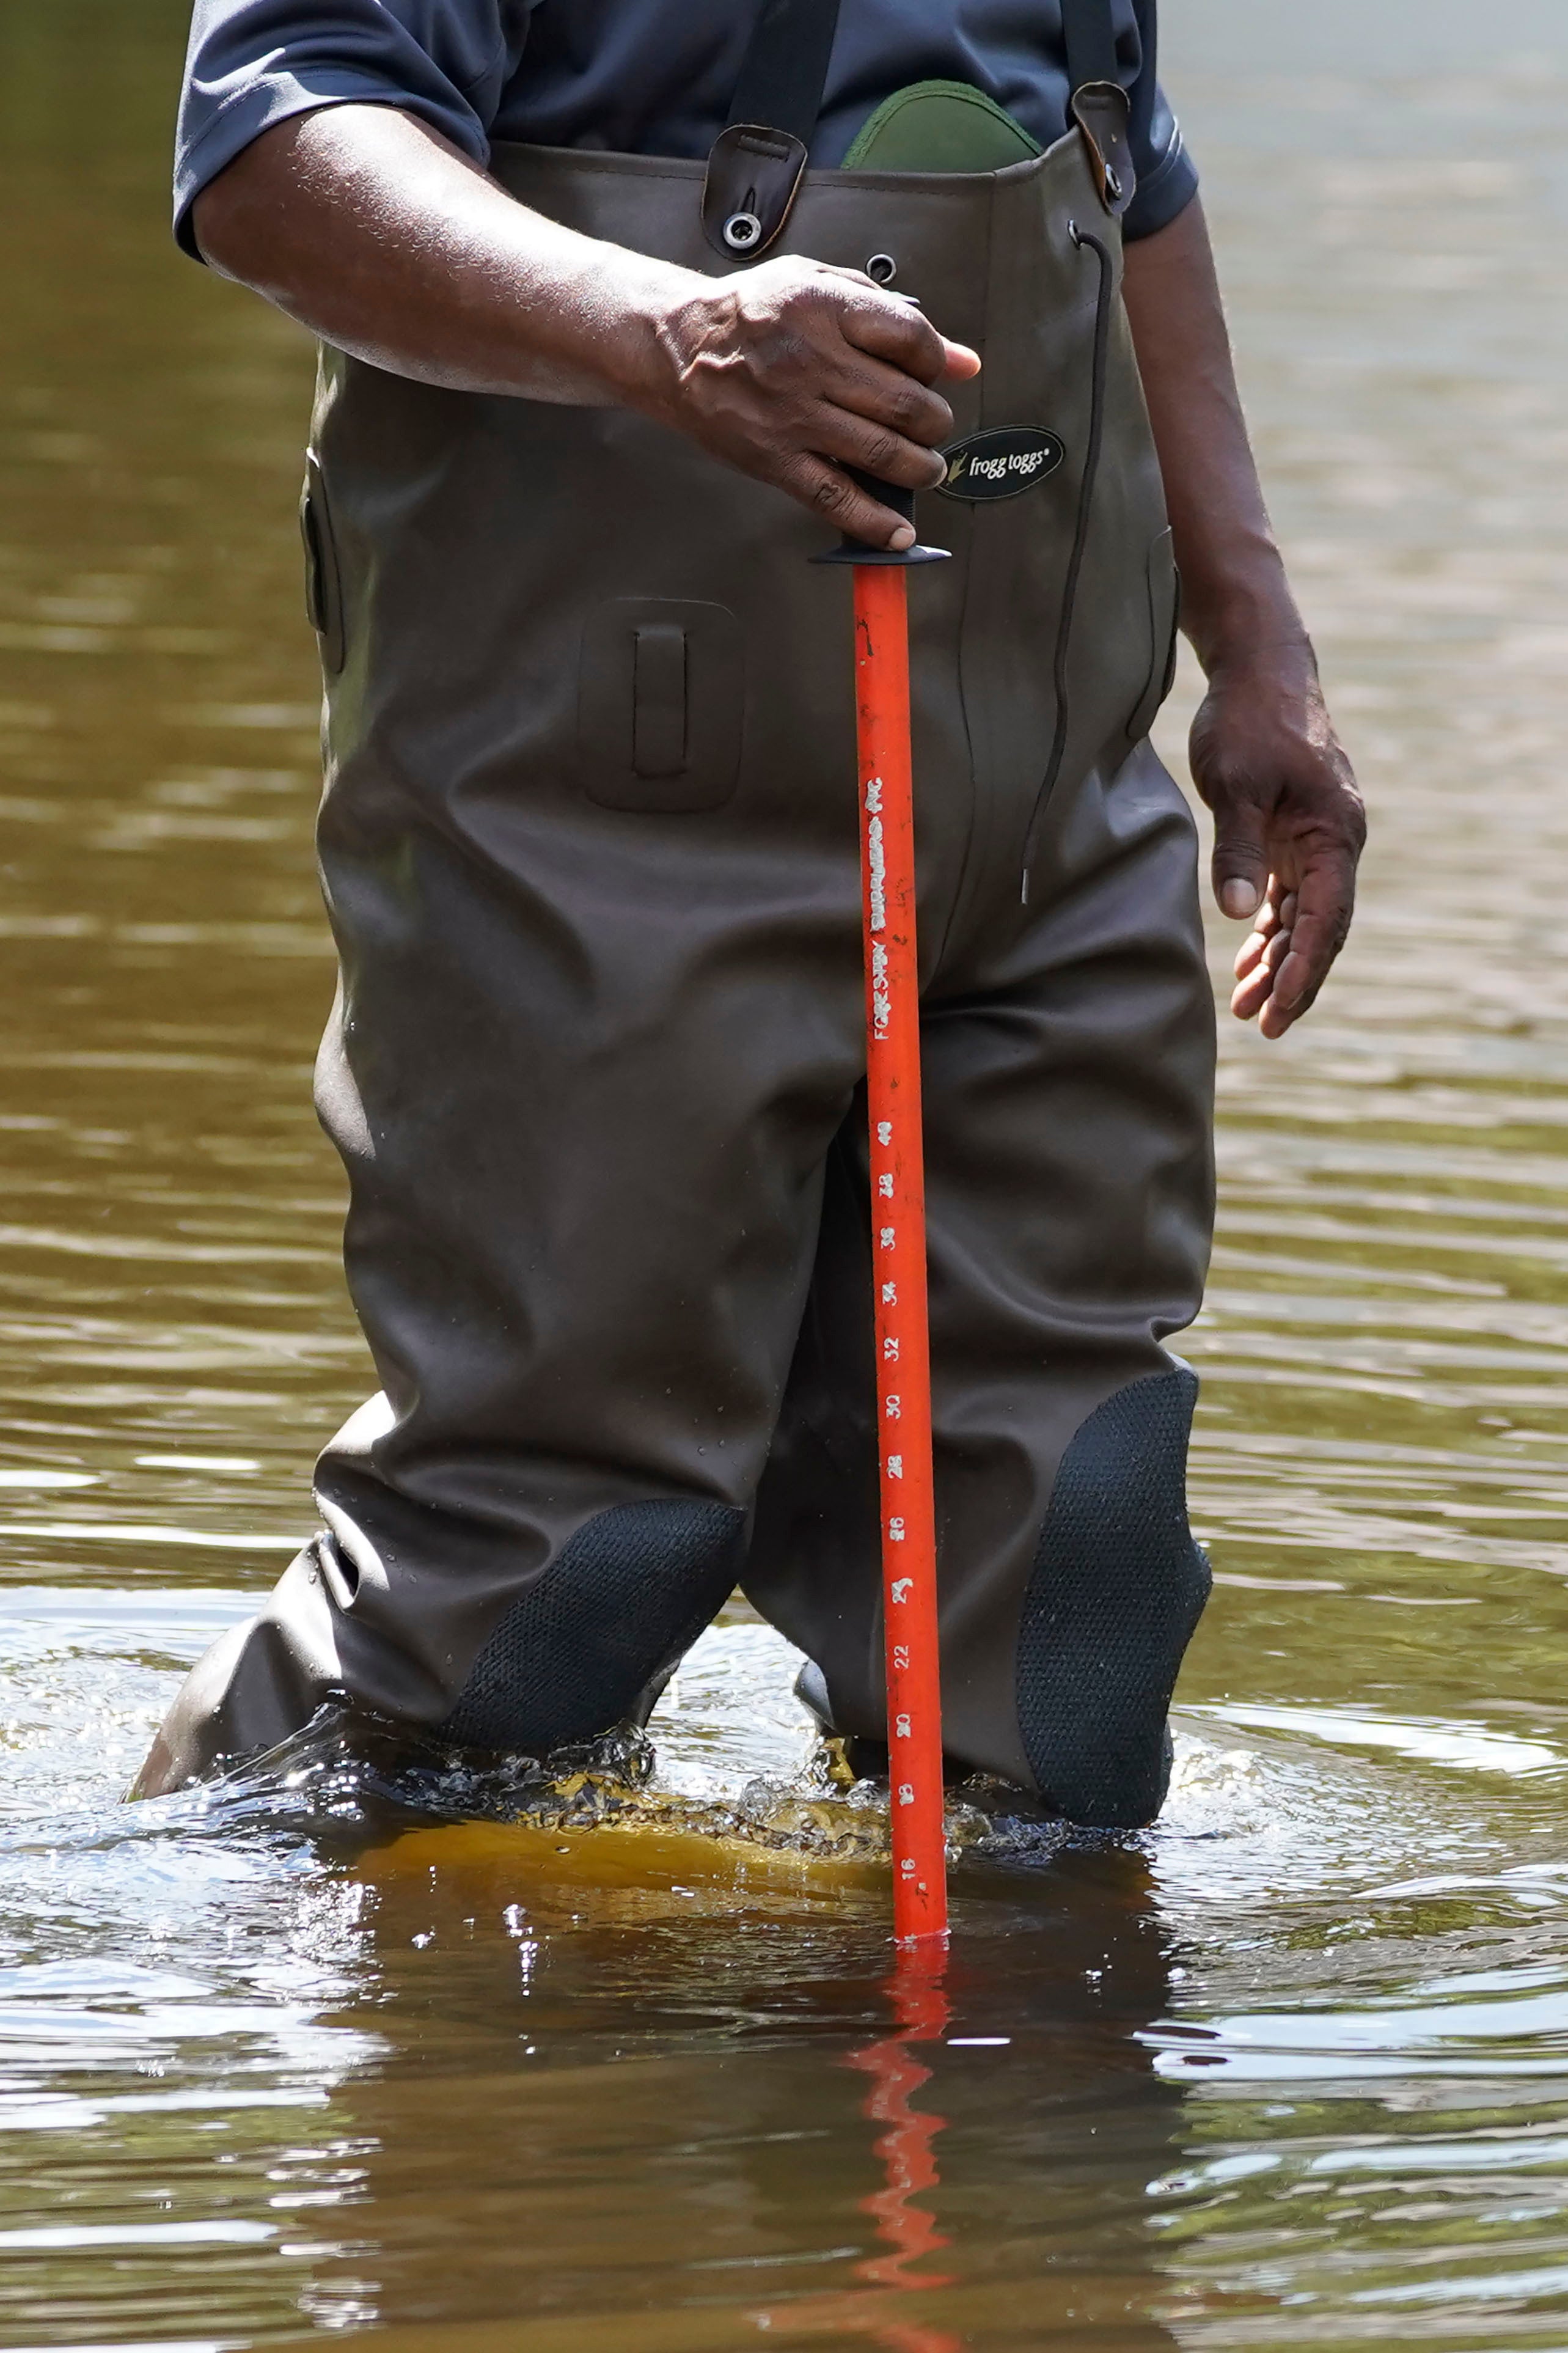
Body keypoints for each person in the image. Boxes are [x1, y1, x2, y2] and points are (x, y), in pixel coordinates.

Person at [134, 0, 1365, 1826]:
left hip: (1047, 800)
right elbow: (265, 143)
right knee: (550, 1576)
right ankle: (199, 1967)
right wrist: (668, 327)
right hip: (591, 785)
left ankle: (987, 2078)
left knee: (1064, 1616)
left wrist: (1256, 648)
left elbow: (1134, 169)